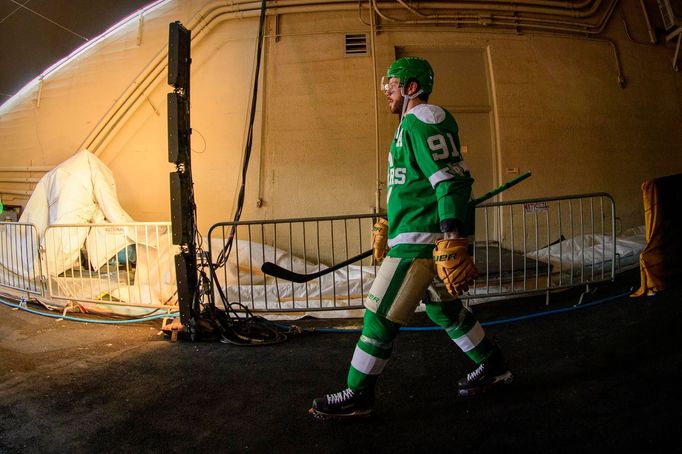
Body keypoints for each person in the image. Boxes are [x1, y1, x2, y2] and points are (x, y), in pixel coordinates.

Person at [309, 57, 513, 420]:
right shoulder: (408, 125)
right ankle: (494, 366)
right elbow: (412, 186)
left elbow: (450, 178)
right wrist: (389, 221)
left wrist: (452, 237)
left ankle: (358, 394)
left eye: (393, 82)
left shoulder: (425, 117)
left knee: (378, 314)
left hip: (423, 241)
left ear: (412, 87)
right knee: (445, 309)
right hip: (418, 234)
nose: (386, 88)